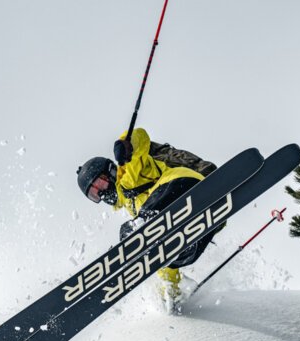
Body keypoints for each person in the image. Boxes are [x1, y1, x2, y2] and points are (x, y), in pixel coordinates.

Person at [76, 127, 218, 301]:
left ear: (110, 171)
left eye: (100, 183)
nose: (102, 193)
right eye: (95, 194)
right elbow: (160, 261)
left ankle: (135, 238)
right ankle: (181, 253)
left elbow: (140, 139)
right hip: (205, 223)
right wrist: (169, 295)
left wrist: (126, 145)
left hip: (184, 185)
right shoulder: (133, 206)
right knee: (168, 257)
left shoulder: (128, 175)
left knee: (131, 230)